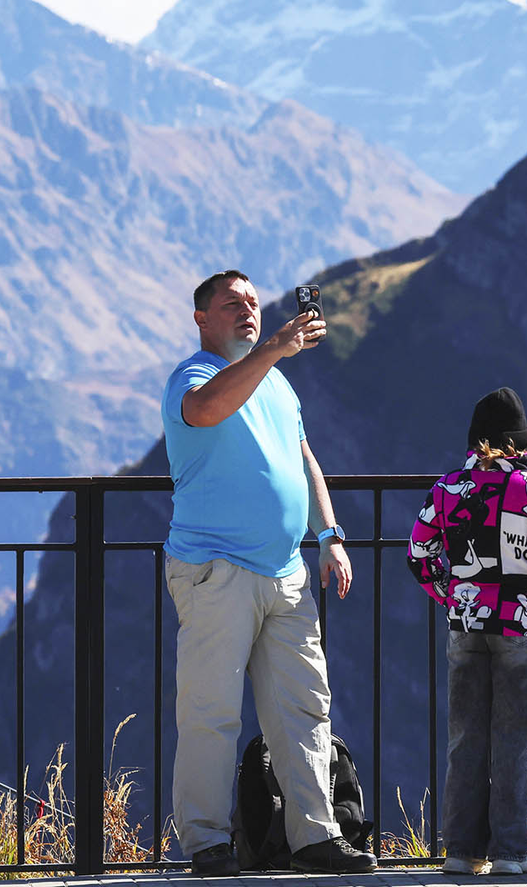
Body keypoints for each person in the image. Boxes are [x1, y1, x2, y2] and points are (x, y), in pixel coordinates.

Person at [160, 269, 376, 875]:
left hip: (287, 572)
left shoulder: (278, 386)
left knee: (303, 707)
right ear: (202, 319)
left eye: (252, 302)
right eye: (231, 304)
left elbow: (303, 460)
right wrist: (274, 349)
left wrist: (329, 535)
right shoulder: (193, 377)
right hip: (215, 570)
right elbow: (205, 412)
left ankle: (316, 836)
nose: (246, 310)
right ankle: (205, 842)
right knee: (211, 710)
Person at [408, 387, 527, 876]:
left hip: (466, 623)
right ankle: (510, 852)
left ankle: (461, 851)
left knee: (466, 737)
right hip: (519, 624)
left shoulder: (446, 489)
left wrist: (451, 595)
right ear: (521, 441)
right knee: (514, 738)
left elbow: (419, 554)